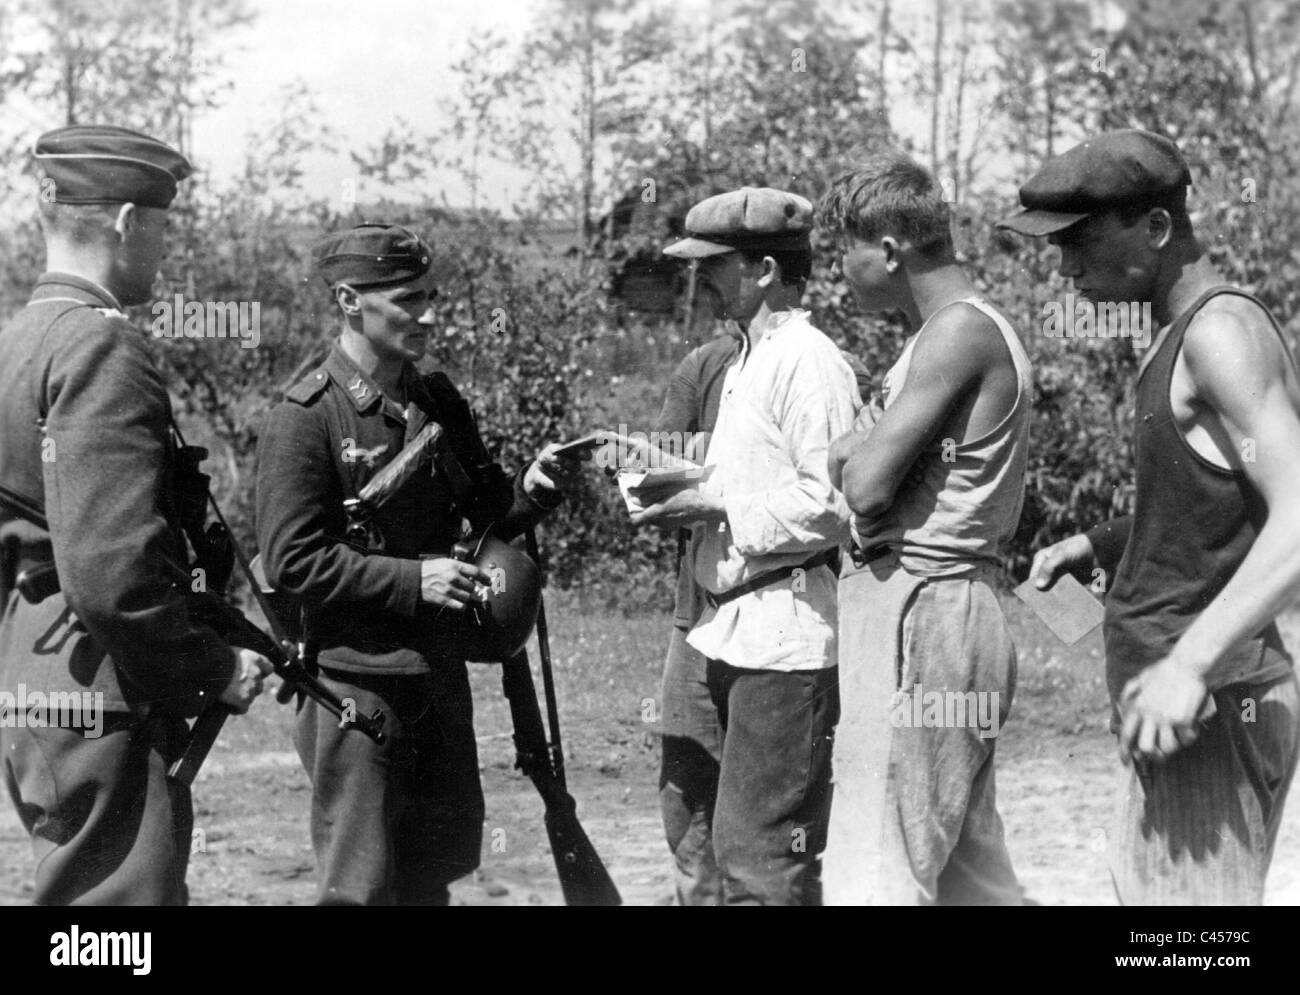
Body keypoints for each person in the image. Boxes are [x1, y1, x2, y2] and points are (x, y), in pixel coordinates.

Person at [1007, 130, 1300, 905]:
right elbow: (1215, 499)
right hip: (1176, 704)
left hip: (1210, 701)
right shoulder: (1179, 333)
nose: (1068, 270)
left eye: (1081, 244)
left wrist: (1189, 662)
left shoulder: (1219, 334)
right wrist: (1096, 544)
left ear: (1157, 229)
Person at [255, 222, 582, 905]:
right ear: (350, 301)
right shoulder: (309, 415)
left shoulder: (436, 399)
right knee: (362, 886)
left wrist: (533, 491)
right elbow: (290, 560)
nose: (429, 315)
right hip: (353, 688)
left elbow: (493, 516)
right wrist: (415, 579)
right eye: (408, 299)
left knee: (432, 876)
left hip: (436, 676)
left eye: (431, 296)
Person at [0, 125, 271, 905]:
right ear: (126, 222)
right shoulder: (100, 348)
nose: (162, 248)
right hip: (103, 683)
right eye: (160, 225)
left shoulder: (20, 341)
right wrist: (211, 668)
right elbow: (114, 575)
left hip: (39, 672)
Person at [634, 187, 861, 905]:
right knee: (711, 834)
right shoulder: (740, 362)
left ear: (765, 268)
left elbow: (830, 502)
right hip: (722, 625)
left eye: (717, 264)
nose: (703, 278)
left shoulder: (810, 362)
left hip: (783, 636)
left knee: (763, 857)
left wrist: (718, 503)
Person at [820, 149, 1032, 906]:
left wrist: (856, 453)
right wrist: (855, 451)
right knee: (971, 875)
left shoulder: (956, 332)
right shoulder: (937, 336)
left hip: (923, 604)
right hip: (946, 605)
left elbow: (868, 484)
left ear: (887, 248)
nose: (838, 271)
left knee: (876, 867)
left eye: (841, 249)